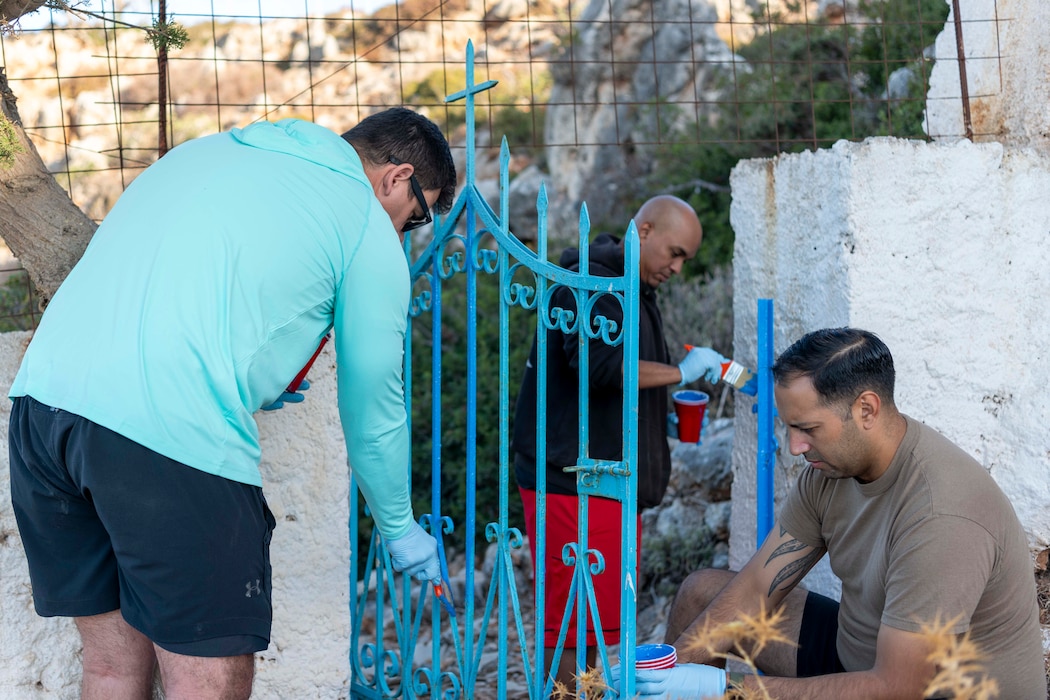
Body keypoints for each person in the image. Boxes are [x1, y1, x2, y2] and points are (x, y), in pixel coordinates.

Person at [8, 107, 457, 699]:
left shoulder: (204, 152)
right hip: (164, 436)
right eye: (418, 216)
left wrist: (255, 371)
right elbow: (375, 401)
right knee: (209, 675)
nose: (405, 232)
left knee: (113, 668)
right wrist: (399, 529)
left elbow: (196, 287)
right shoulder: (363, 222)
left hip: (42, 415)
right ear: (395, 178)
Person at [621, 327, 1045, 699]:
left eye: (807, 428)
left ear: (866, 410)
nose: (794, 446)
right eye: (789, 427)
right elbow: (755, 590)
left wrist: (724, 690)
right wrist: (667, 675)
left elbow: (898, 688)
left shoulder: (943, 513)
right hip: (860, 655)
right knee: (703, 594)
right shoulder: (829, 470)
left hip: (923, 688)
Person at [512, 194, 734, 690]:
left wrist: (662, 423)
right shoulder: (593, 282)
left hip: (606, 478)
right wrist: (681, 371)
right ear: (646, 230)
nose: (677, 267)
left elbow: (614, 387)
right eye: (674, 252)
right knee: (571, 621)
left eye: (686, 260)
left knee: (592, 619)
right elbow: (599, 367)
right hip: (571, 477)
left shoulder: (631, 286)